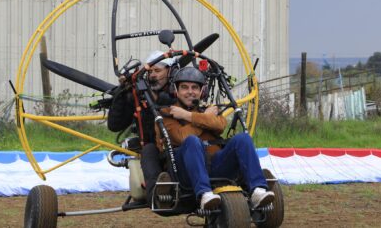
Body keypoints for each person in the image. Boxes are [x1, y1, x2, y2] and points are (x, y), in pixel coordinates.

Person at [155, 67, 274, 210]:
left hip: (216, 164)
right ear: (177, 91)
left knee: (243, 139)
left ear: (201, 91)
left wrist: (189, 116)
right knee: (192, 141)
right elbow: (182, 137)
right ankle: (205, 193)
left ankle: (257, 190)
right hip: (186, 169)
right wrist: (205, 119)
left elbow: (221, 125)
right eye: (184, 87)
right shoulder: (167, 113)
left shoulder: (206, 109)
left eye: (194, 88)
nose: (190, 92)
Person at [107, 50, 175, 206]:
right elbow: (114, 125)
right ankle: (156, 196)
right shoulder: (139, 96)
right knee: (149, 151)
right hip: (151, 149)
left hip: (177, 145)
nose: (152, 75)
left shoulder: (181, 90)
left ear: (170, 71)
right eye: (150, 71)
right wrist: (122, 92)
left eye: (158, 71)